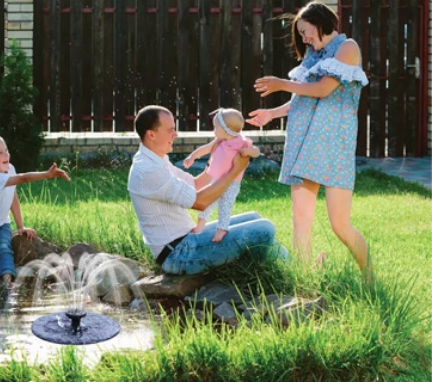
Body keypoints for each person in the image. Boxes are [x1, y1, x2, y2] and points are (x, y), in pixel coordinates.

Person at [245, 1, 372, 281]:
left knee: (340, 224)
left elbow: (323, 89)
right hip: (304, 143)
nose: (304, 39)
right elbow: (301, 96)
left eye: (306, 31)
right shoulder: (313, 55)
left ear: (321, 22)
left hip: (332, 145)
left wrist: (280, 83)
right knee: (300, 219)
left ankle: (369, 277)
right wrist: (272, 113)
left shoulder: (347, 47)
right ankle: (302, 282)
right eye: (301, 34)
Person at [127, 105, 288, 276]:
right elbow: (200, 202)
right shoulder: (147, 170)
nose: (175, 134)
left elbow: (196, 184)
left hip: (186, 241)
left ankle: (284, 269)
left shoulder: (156, 160)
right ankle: (281, 273)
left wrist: (219, 157)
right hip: (179, 254)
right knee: (264, 229)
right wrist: (234, 170)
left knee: (255, 217)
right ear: (151, 134)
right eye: (170, 130)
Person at [0, 134, 71, 288]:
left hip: (1, 223)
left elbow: (13, 198)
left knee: (4, 249)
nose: (7, 155)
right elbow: (23, 178)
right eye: (0, 153)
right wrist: (47, 175)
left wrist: (20, 226)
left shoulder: (10, 169)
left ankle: (7, 278)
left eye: (6, 150)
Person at [183, 108, 261, 242]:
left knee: (225, 204)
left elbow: (257, 152)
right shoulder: (219, 141)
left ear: (227, 129)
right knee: (208, 202)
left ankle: (222, 229)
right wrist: (192, 157)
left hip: (232, 182)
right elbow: (205, 149)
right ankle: (200, 226)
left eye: (216, 127)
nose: (214, 130)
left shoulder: (242, 142)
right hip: (217, 180)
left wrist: (247, 151)